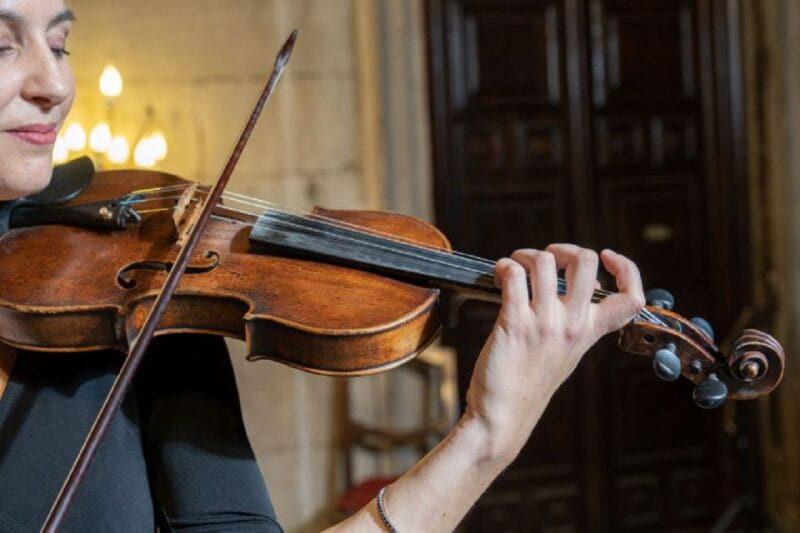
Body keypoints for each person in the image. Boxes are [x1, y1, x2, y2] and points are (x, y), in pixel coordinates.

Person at [0, 1, 645, 531]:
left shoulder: (142, 294)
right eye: (3, 47)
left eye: (59, 45)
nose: (54, 84)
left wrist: (486, 438)